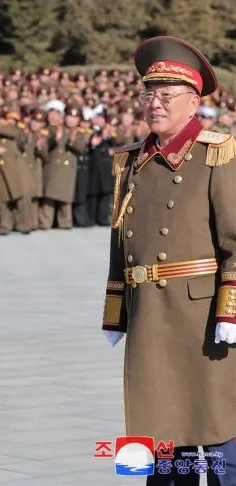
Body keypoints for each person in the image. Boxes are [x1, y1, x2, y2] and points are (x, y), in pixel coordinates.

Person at [102, 36, 236, 485]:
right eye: (147, 94)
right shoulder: (130, 161)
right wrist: (114, 312)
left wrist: (230, 309)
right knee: (154, 439)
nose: (153, 104)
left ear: (193, 101)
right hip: (148, 316)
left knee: (216, 435)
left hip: (200, 317)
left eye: (165, 95)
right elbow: (120, 247)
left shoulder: (218, 153)